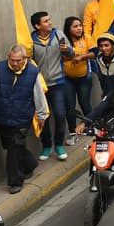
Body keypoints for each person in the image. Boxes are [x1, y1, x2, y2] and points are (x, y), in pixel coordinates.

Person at [0, 45, 49, 193]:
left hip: (22, 116)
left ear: (25, 59)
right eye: (12, 60)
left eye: (18, 60)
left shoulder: (33, 73)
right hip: (3, 115)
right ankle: (30, 163)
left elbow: (39, 95)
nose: (15, 63)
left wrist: (41, 115)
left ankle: (15, 181)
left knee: (14, 146)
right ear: (8, 57)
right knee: (11, 145)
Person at [28, 11, 69, 161]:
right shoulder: (30, 41)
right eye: (46, 21)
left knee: (60, 114)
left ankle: (59, 145)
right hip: (39, 86)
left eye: (50, 20)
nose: (50, 23)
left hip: (58, 83)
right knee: (42, 116)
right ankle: (46, 146)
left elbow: (70, 54)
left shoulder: (58, 34)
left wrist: (67, 51)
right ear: (37, 25)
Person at [61, 16, 95, 117]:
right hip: (68, 79)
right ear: (68, 28)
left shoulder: (86, 38)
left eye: (80, 26)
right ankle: (72, 131)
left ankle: (91, 127)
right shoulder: (64, 40)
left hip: (84, 77)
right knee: (70, 107)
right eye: (75, 26)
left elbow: (95, 53)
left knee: (85, 104)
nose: (79, 28)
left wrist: (82, 57)